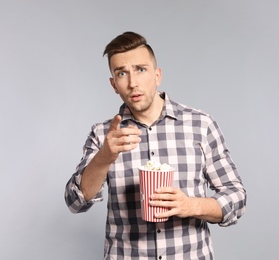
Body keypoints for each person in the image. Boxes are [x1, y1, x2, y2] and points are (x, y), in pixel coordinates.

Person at [65, 31, 247, 259]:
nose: (133, 83)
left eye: (140, 70)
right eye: (122, 73)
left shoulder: (200, 125)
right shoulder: (103, 135)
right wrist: (104, 157)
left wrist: (191, 206)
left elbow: (237, 197)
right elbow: (75, 202)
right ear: (114, 84)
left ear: (157, 75)